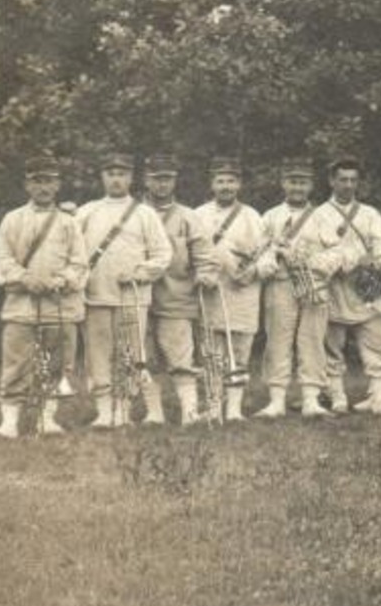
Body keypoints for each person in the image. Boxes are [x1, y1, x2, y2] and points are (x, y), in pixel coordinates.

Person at [0, 154, 89, 437]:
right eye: (37, 181)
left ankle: (48, 419)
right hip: (21, 305)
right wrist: (25, 279)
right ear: (27, 185)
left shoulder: (68, 223)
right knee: (16, 363)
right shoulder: (12, 219)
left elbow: (80, 262)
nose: (43, 188)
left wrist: (60, 281)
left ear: (58, 185)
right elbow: (3, 259)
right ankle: (10, 422)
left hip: (60, 304)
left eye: (49, 181)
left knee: (57, 363)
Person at [77, 153, 172, 427]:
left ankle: (123, 409)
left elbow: (163, 253)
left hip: (132, 297)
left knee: (131, 354)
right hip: (95, 296)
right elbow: (72, 252)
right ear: (102, 177)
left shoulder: (145, 213)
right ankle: (104, 411)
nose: (116, 179)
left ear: (131, 178)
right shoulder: (86, 212)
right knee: (98, 354)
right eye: (110, 173)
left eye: (122, 174)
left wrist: (140, 273)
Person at [254, 157, 343, 418]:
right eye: (293, 182)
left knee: (313, 340)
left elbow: (339, 251)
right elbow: (257, 253)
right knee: (277, 340)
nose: (297, 188)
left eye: (303, 183)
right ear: (283, 183)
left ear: (311, 186)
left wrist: (313, 262)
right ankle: (276, 401)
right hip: (281, 284)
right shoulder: (270, 216)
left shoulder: (323, 216)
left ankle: (311, 399)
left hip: (314, 285)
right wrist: (272, 258)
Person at [142, 155, 220, 426]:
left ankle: (190, 411)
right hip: (137, 296)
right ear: (145, 180)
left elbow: (204, 253)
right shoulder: (134, 213)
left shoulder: (188, 216)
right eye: (156, 178)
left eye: (167, 178)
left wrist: (206, 274)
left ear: (175, 181)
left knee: (180, 355)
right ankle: (154, 413)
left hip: (177, 295)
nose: (162, 185)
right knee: (144, 355)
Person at [321, 156, 381, 415]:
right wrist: (345, 261)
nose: (348, 185)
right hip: (334, 286)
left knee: (377, 341)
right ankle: (337, 397)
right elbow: (318, 251)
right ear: (331, 181)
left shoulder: (369, 213)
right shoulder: (319, 214)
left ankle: (379, 398)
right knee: (331, 344)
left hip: (366, 286)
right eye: (342, 179)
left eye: (353, 180)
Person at [193, 156, 266, 422]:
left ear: (239, 185)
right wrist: (202, 274)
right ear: (212, 184)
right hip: (211, 292)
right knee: (212, 353)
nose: (226, 186)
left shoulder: (251, 216)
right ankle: (213, 406)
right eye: (220, 181)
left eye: (231, 181)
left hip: (244, 293)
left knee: (240, 352)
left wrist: (254, 271)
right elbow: (191, 252)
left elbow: (267, 255)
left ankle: (234, 410)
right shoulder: (198, 215)